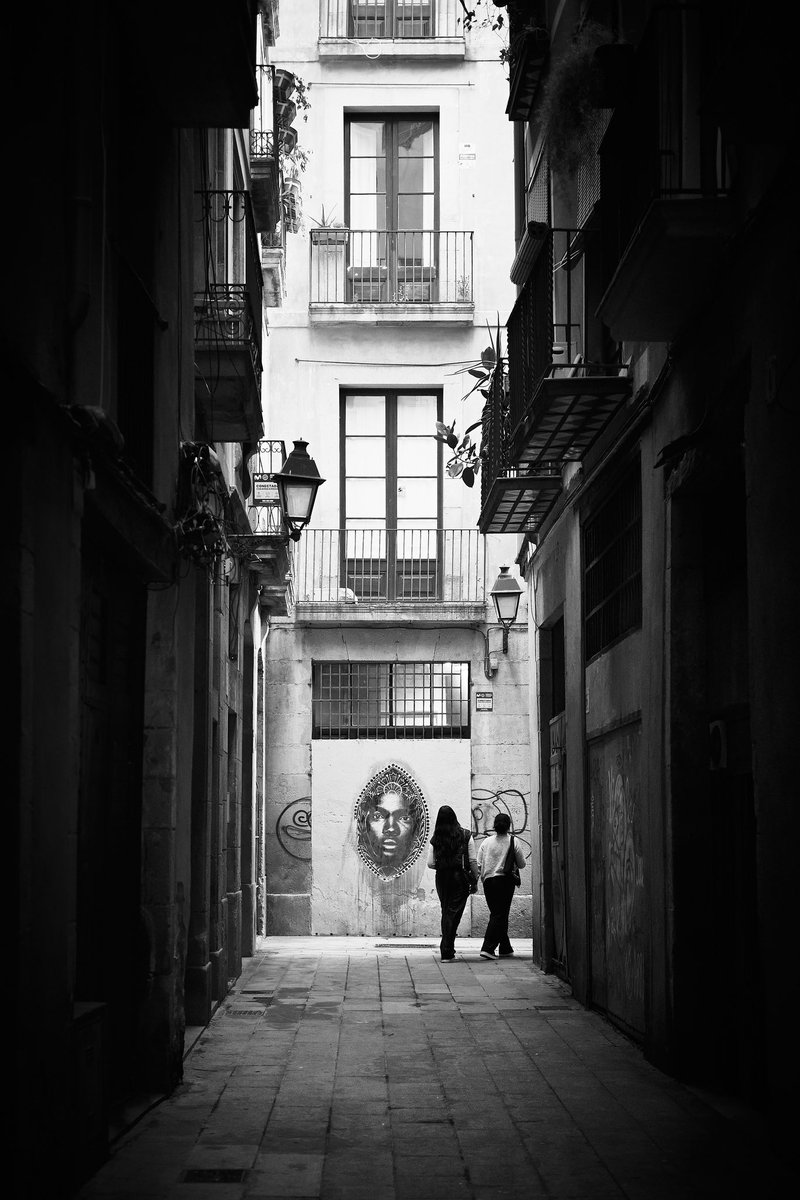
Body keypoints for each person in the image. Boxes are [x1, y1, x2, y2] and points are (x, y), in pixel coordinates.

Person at [427, 805, 479, 962]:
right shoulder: (465, 835)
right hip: (460, 879)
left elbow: (430, 863)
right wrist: (475, 880)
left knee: (446, 911)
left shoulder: (436, 838)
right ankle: (447, 950)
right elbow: (472, 861)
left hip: (442, 878)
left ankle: (448, 947)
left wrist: (442, 864)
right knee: (454, 913)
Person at [476, 812, 526, 959]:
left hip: (488, 882)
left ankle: (505, 947)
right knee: (500, 914)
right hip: (505, 882)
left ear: (494, 825)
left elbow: (478, 864)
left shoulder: (486, 842)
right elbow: (522, 864)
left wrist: (476, 881)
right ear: (508, 825)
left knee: (497, 914)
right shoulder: (513, 841)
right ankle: (488, 948)